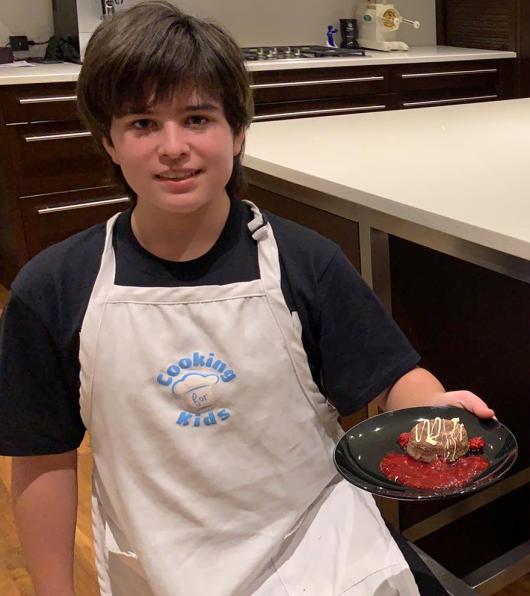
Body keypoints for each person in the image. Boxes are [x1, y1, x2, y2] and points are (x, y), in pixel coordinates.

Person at [0, 3, 493, 594]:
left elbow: (388, 378)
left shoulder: (305, 262)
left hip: (319, 554)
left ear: (237, 131)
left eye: (198, 118)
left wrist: (433, 410)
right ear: (108, 141)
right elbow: (42, 458)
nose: (173, 146)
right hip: (158, 569)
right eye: (142, 124)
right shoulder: (54, 288)